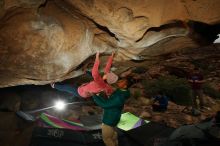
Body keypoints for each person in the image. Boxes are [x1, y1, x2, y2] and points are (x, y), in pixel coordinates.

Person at [51, 52, 118, 100]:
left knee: (67, 88)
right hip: (85, 88)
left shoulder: (100, 82)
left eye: (107, 75)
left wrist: (97, 57)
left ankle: (54, 86)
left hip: (81, 93)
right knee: (73, 86)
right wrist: (111, 56)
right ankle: (68, 89)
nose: (106, 73)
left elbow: (94, 71)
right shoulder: (107, 85)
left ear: (107, 78)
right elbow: (107, 68)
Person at [92, 78, 131, 146]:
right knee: (113, 136)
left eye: (122, 81)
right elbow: (108, 101)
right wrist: (100, 94)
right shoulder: (120, 92)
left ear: (125, 86)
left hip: (109, 120)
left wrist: (94, 96)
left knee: (107, 139)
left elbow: (105, 105)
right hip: (113, 118)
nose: (119, 81)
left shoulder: (119, 97)